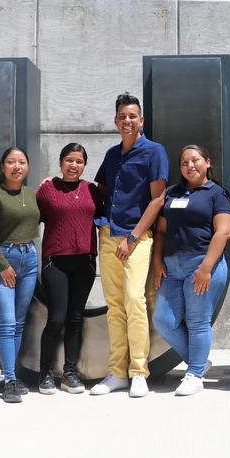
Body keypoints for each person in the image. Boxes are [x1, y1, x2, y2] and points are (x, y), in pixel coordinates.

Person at [89, 92, 168, 398]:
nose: (127, 121)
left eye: (132, 116)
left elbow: (158, 199)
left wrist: (133, 238)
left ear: (141, 120)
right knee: (115, 307)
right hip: (108, 235)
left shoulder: (153, 152)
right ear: (116, 121)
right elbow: (100, 191)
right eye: (122, 116)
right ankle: (117, 372)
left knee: (135, 301)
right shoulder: (111, 154)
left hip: (137, 238)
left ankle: (138, 372)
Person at [152, 145, 230, 396]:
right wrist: (157, 261)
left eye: (195, 160)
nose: (190, 165)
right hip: (172, 266)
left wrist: (206, 268)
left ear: (207, 162)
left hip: (203, 263)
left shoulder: (217, 193)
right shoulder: (172, 193)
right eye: (185, 162)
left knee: (199, 322)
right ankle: (198, 362)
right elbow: (162, 230)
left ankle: (195, 374)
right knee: (163, 320)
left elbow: (224, 232)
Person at [35, 143, 103, 395]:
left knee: (75, 319)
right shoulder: (47, 190)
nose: (74, 165)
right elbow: (32, 217)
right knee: (56, 319)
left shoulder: (91, 190)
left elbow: (103, 218)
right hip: (56, 262)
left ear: (84, 165)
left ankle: (70, 374)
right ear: (61, 162)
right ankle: (44, 374)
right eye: (69, 160)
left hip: (85, 262)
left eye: (79, 161)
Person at [0, 147, 40, 403]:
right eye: (11, 162)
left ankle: (6, 376)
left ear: (27, 167)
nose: (17, 166)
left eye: (22, 162)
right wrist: (3, 265)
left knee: (18, 323)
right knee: (6, 322)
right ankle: (11, 379)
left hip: (29, 258)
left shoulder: (30, 193)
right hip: (1, 260)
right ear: (2, 167)